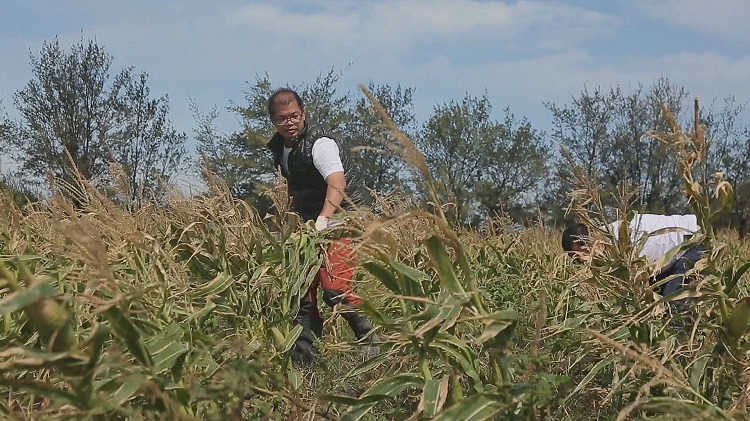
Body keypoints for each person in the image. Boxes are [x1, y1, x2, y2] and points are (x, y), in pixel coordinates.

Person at [266, 88, 378, 365]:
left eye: (294, 116)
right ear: (273, 121)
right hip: (309, 220)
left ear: (303, 114)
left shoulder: (320, 143)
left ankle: (371, 341)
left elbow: (337, 185)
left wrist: (324, 219)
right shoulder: (281, 147)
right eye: (282, 119)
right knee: (299, 288)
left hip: (344, 215)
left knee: (334, 286)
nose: (289, 122)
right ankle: (306, 358)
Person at [561, 213, 705, 311]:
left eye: (582, 257)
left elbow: (642, 282)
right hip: (670, 257)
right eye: (579, 262)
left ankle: (681, 351)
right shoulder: (608, 242)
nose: (586, 262)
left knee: (673, 307)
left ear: (589, 242)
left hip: (691, 244)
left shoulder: (620, 240)